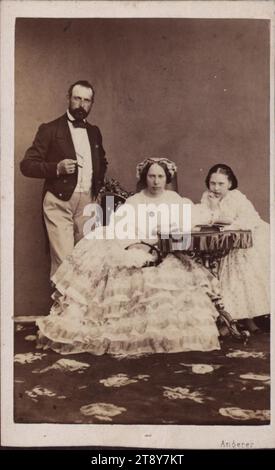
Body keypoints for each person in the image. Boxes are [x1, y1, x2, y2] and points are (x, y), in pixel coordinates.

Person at [36, 158, 221, 356]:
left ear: (167, 178)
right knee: (131, 275)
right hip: (137, 247)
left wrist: (166, 238)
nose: (156, 181)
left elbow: (190, 223)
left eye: (160, 176)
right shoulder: (134, 202)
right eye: (151, 176)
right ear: (145, 178)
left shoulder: (174, 199)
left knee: (174, 283)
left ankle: (162, 335)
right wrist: (137, 244)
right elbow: (121, 230)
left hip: (166, 251)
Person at [20, 80, 108, 276]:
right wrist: (56, 168)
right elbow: (26, 165)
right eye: (77, 98)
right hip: (59, 201)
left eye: (87, 100)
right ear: (68, 98)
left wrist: (97, 188)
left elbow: (102, 162)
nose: (81, 104)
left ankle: (80, 307)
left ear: (92, 104)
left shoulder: (94, 132)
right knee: (64, 261)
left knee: (88, 258)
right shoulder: (50, 129)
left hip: (89, 202)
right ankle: (64, 307)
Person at [198, 163, 270, 334]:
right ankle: (230, 319)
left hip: (248, 238)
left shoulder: (237, 197)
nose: (216, 188)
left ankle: (248, 318)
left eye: (221, 184)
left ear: (230, 184)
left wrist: (225, 222)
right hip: (224, 240)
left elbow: (250, 220)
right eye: (212, 183)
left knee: (242, 269)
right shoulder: (206, 197)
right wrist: (214, 210)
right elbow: (205, 219)